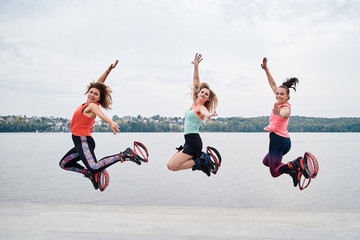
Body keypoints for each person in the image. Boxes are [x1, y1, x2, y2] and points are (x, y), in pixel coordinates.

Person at [59, 60, 146, 191]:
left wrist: (111, 122)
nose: (92, 95)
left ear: (98, 98)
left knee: (94, 166)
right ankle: (88, 174)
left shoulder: (93, 106)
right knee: (64, 164)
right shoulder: (85, 104)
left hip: (84, 141)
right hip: (79, 144)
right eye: (91, 92)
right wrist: (108, 71)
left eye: (95, 94)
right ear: (88, 92)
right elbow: (99, 84)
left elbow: (100, 114)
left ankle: (125, 155)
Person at [261, 57, 311, 187]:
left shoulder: (286, 108)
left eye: (281, 94)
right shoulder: (279, 100)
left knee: (274, 172)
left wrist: (278, 113)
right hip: (284, 142)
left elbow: (284, 115)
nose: (278, 96)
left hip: (278, 141)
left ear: (288, 96)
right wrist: (266, 69)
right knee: (266, 161)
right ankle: (293, 170)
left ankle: (295, 164)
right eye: (277, 94)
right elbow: (272, 84)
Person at [167, 53, 218, 176]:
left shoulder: (200, 108)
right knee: (170, 166)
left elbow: (204, 112)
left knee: (174, 166)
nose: (203, 94)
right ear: (198, 93)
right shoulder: (194, 104)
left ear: (208, 99)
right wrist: (196, 67)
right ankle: (200, 161)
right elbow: (196, 82)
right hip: (187, 141)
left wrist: (208, 115)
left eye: (206, 94)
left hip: (194, 142)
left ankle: (202, 161)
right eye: (202, 92)